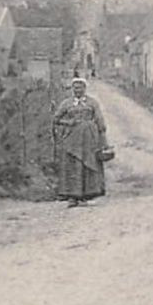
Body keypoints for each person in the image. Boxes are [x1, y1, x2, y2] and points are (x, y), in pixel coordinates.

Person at [53, 76, 108, 207]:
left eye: (80, 87)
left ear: (85, 88)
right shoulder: (66, 103)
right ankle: (73, 196)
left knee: (88, 163)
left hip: (89, 138)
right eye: (75, 88)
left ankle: (87, 194)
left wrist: (103, 139)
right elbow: (56, 119)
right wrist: (68, 122)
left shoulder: (92, 102)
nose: (77, 90)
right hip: (72, 139)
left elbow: (99, 120)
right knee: (73, 165)